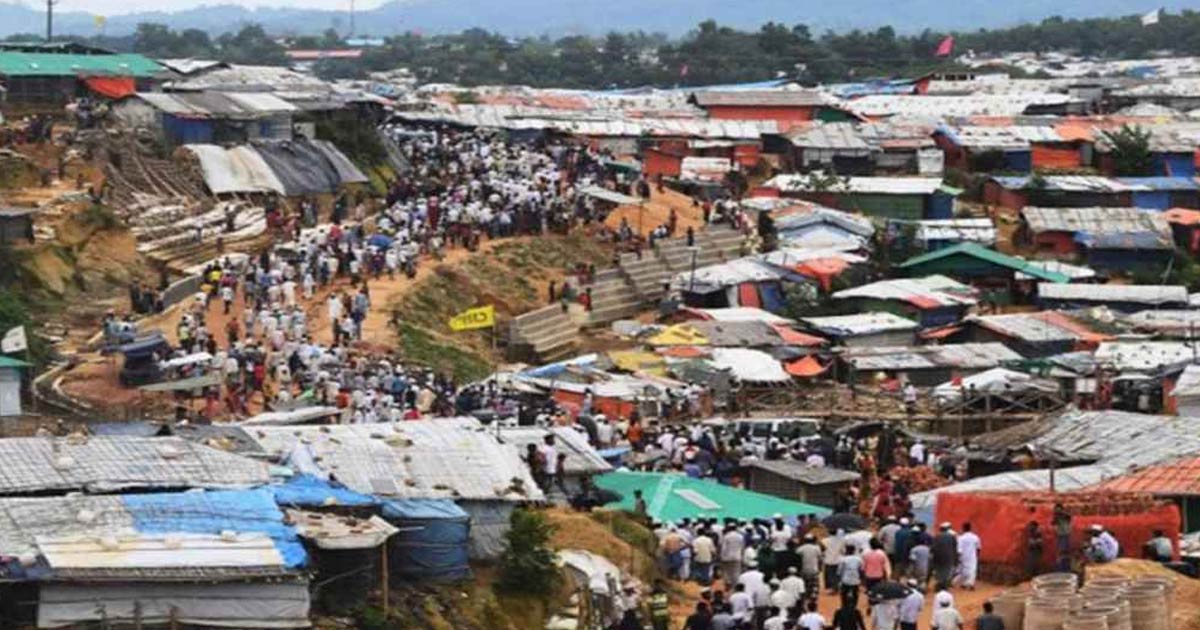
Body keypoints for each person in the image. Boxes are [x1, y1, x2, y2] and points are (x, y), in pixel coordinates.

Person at [931, 523, 958, 592]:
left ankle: (939, 585)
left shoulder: (936, 536)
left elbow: (933, 548)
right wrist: (955, 559)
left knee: (939, 572)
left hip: (938, 558)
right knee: (946, 572)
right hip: (948, 557)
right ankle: (944, 586)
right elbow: (954, 548)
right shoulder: (951, 537)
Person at [838, 544, 864, 609]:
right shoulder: (858, 559)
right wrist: (861, 578)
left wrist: (839, 578)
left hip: (845, 580)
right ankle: (855, 606)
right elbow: (861, 569)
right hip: (855, 580)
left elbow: (839, 570)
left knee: (843, 593)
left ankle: (844, 605)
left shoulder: (843, 559)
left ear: (846, 550)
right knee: (855, 594)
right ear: (854, 551)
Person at [956, 522, 981, 590]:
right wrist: (977, 555)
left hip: (963, 556)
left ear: (963, 528)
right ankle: (970, 584)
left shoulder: (961, 538)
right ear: (970, 528)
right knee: (972, 570)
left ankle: (965, 583)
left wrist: (958, 557)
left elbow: (959, 549)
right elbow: (978, 548)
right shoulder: (975, 537)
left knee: (963, 571)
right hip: (972, 557)